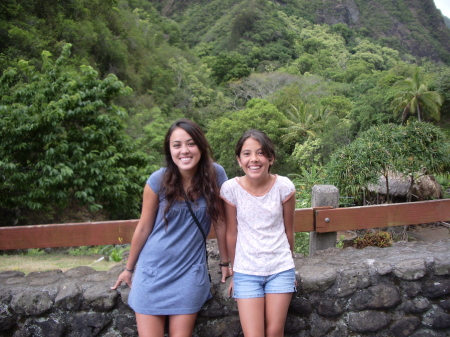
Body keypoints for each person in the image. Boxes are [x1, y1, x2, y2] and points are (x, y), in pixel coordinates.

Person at [111, 119, 232, 337]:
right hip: (152, 271)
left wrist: (225, 263)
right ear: (169, 149)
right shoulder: (158, 180)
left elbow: (221, 222)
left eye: (190, 143)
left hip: (189, 273)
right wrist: (129, 269)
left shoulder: (216, 175)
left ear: (201, 147)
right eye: (177, 145)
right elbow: (143, 228)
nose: (184, 151)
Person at [220, 129, 296, 337]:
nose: (254, 159)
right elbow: (231, 233)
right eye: (247, 154)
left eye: (261, 153)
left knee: (274, 331)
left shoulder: (284, 186)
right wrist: (234, 271)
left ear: (271, 158)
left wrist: (290, 267)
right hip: (247, 271)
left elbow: (289, 231)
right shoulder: (230, 189)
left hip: (280, 268)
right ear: (238, 160)